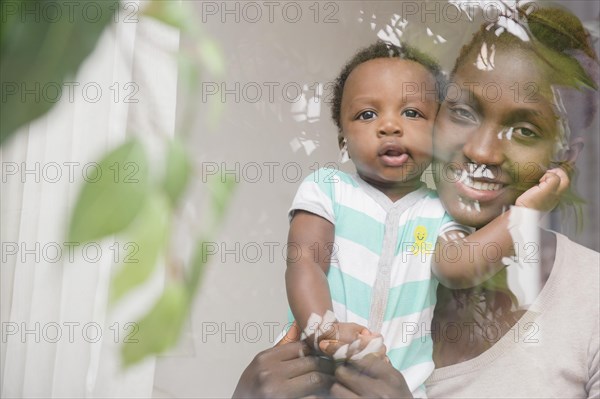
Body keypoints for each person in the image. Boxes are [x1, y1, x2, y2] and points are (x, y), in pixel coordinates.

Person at [234, 4, 599, 398]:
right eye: (463, 111)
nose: (482, 150)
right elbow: (304, 263)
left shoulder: (590, 300)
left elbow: (459, 264)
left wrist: (526, 214)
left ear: (564, 156)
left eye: (525, 131)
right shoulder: (331, 194)